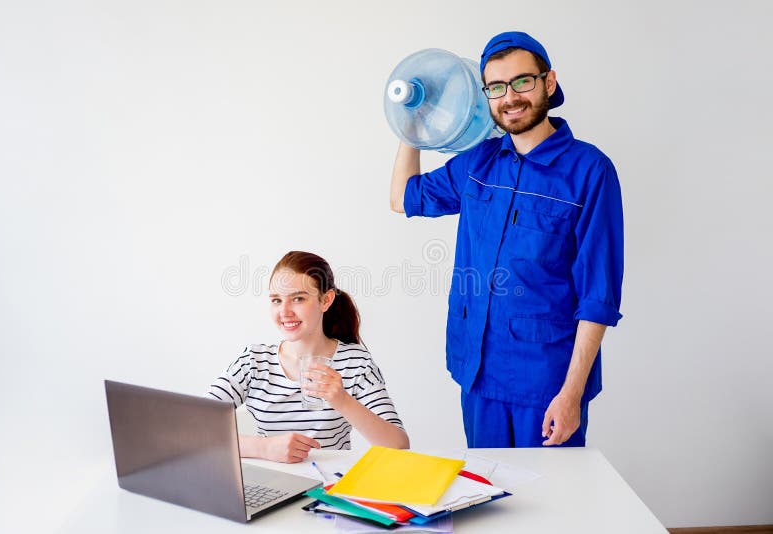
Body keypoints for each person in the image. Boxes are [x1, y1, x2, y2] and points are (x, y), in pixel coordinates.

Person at [389, 31, 624, 448]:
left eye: (522, 82)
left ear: (548, 83)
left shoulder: (590, 171)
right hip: (477, 371)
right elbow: (402, 197)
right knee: (491, 504)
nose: (510, 97)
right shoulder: (479, 162)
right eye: (496, 87)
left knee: (552, 505)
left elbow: (599, 296)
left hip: (546, 382)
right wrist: (412, 123)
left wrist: (571, 395)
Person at [208, 250, 409, 463]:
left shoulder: (355, 363)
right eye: (276, 300)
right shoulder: (253, 362)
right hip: (271, 486)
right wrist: (263, 448)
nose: (284, 311)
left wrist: (342, 400)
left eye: (298, 299)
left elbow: (398, 445)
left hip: (330, 488)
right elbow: (194, 427)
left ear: (326, 300)